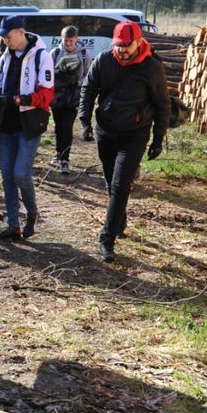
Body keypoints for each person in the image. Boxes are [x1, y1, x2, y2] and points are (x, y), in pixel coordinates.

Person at [78, 20, 169, 262]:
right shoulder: (104, 60)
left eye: (127, 46)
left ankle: (106, 239)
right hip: (106, 131)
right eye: (119, 46)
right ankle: (120, 220)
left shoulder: (152, 67)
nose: (122, 50)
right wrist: (85, 121)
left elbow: (162, 104)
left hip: (135, 134)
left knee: (120, 185)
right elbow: (88, 89)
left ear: (139, 42)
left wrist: (158, 139)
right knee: (112, 184)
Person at [0, 14, 54, 240]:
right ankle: (13, 224)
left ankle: (32, 212)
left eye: (8, 35)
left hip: (29, 123)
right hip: (5, 123)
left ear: (21, 32)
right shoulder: (5, 56)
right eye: (3, 36)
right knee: (7, 175)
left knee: (21, 174)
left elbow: (46, 94)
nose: (5, 39)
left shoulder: (41, 56)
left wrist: (18, 100)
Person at [49, 25, 87, 174]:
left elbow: (87, 75)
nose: (68, 44)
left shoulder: (84, 54)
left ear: (76, 39)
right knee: (58, 126)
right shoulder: (55, 52)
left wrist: (76, 82)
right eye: (66, 41)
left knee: (67, 126)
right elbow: (47, 74)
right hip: (57, 96)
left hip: (73, 97)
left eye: (71, 41)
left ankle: (65, 159)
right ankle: (58, 153)